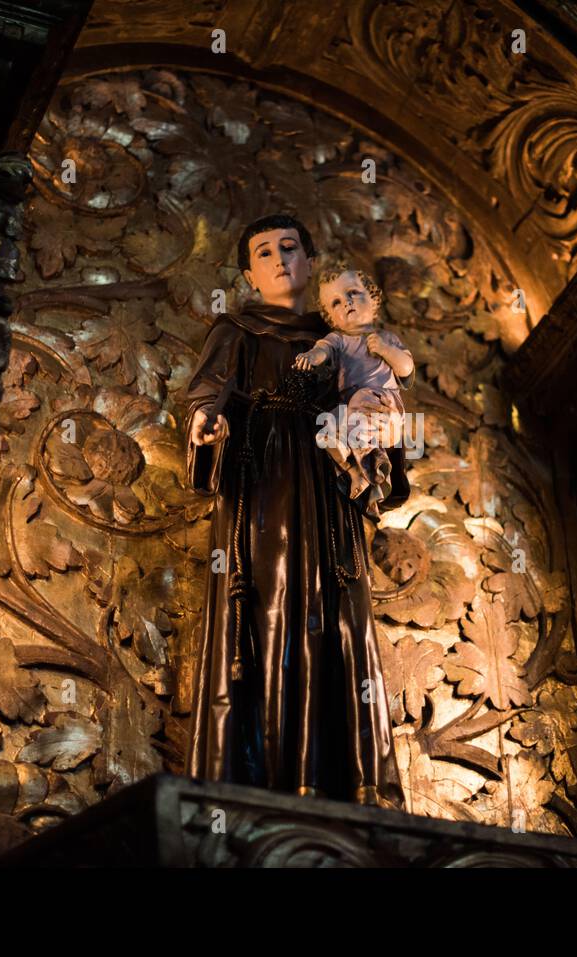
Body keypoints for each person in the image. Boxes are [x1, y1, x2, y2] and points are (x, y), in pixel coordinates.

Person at [183, 214, 407, 808]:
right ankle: (258, 779)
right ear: (249, 274)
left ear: (310, 260)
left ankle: (346, 779)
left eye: (290, 247)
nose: (280, 259)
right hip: (262, 482)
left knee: (336, 612)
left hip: (329, 488)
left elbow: (383, 396)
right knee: (267, 605)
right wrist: (207, 424)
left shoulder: (341, 335)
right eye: (264, 253)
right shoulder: (236, 330)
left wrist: (383, 430)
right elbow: (207, 394)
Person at [296, 264, 415, 518]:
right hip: (351, 407)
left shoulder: (386, 337)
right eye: (336, 303)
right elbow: (322, 349)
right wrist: (311, 356)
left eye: (353, 293)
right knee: (326, 430)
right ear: (331, 318)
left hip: (381, 399)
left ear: (373, 298)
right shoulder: (339, 340)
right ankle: (356, 472)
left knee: (361, 408)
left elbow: (406, 368)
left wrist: (385, 350)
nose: (347, 302)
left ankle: (366, 461)